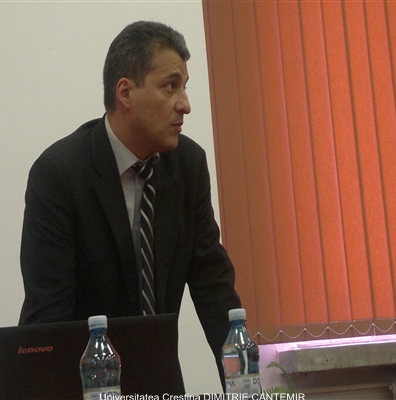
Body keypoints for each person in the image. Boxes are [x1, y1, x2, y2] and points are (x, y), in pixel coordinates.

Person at [18, 20, 241, 385]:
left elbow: (214, 290)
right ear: (125, 92)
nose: (185, 105)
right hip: (87, 386)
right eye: (170, 87)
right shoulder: (59, 175)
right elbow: (49, 318)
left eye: (184, 87)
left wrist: (245, 385)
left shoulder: (188, 166)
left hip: (161, 384)